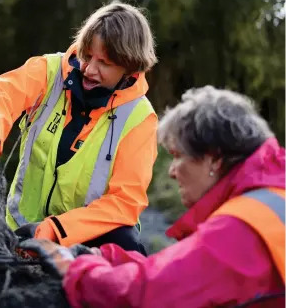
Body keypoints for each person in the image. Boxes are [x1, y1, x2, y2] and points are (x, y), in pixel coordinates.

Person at [28, 86, 285, 307]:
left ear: (214, 158)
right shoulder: (272, 196)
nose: (172, 172)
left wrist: (73, 269)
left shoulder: (243, 227)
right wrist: (107, 258)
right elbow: (185, 268)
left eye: (178, 156)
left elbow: (149, 294)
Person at [0, 1, 159, 253]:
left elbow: (124, 202)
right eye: (87, 55)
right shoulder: (49, 71)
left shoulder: (140, 117)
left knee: (128, 244)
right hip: (21, 231)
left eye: (104, 63)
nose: (89, 69)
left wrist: (55, 232)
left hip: (85, 241)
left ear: (129, 68)